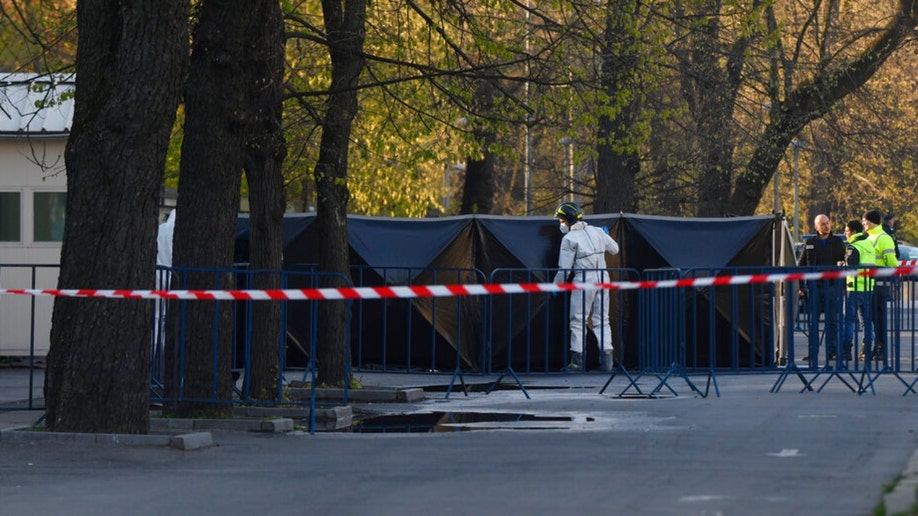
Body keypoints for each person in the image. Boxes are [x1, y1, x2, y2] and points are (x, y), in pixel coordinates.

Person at [553, 202, 620, 372]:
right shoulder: (597, 231)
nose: (560, 223)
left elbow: (565, 269)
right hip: (603, 279)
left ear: (568, 219)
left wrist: (555, 286)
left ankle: (577, 362)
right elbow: (615, 249)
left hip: (584, 281)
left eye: (561, 220)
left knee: (577, 321)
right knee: (602, 320)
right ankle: (607, 362)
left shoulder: (569, 239)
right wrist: (606, 236)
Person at [797, 214, 846, 364]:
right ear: (816, 227)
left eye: (827, 223)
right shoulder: (810, 242)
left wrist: (842, 286)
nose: (826, 226)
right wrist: (801, 287)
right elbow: (801, 265)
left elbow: (844, 264)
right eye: (822, 224)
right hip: (815, 287)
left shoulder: (837, 241)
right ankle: (813, 352)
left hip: (832, 286)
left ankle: (831, 352)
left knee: (832, 321)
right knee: (813, 322)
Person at [862, 209, 898, 362]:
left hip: (879, 284)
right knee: (870, 318)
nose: (863, 224)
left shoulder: (883, 238)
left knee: (878, 318)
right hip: (867, 284)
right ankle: (874, 347)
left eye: (865, 221)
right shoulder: (867, 237)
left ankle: (881, 348)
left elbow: (892, 261)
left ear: (871, 222)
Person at [841, 220, 874, 364]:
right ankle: (866, 350)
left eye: (847, 231)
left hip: (854, 287)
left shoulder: (853, 246)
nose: (845, 233)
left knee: (848, 320)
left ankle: (846, 350)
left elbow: (850, 267)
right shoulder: (869, 244)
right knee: (866, 321)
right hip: (868, 287)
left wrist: (841, 265)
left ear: (853, 231)